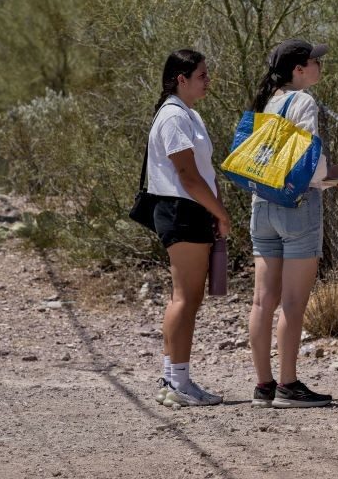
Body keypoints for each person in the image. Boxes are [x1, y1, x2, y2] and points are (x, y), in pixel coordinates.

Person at [247, 39, 338, 408]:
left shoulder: (266, 103)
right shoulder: (303, 102)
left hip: (262, 206)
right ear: (298, 69)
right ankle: (289, 385)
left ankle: (264, 385)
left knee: (262, 300)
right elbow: (308, 160)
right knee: (292, 302)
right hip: (298, 206)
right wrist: (332, 174)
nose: (320, 66)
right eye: (315, 61)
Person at [148, 49, 229, 408]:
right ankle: (176, 381)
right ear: (181, 79)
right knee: (184, 296)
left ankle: (175, 378)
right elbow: (188, 176)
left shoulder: (188, 115)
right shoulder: (173, 117)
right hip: (181, 209)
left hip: (191, 209)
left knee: (188, 296)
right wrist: (221, 213)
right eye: (201, 75)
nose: (207, 81)